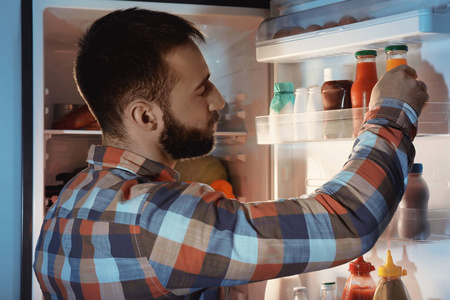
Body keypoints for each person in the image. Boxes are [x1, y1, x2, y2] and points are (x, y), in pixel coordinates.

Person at [33, 7, 428, 300]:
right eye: (201, 88)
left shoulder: (70, 200)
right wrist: (392, 112)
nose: (219, 100)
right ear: (145, 116)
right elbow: (348, 221)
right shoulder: (154, 220)